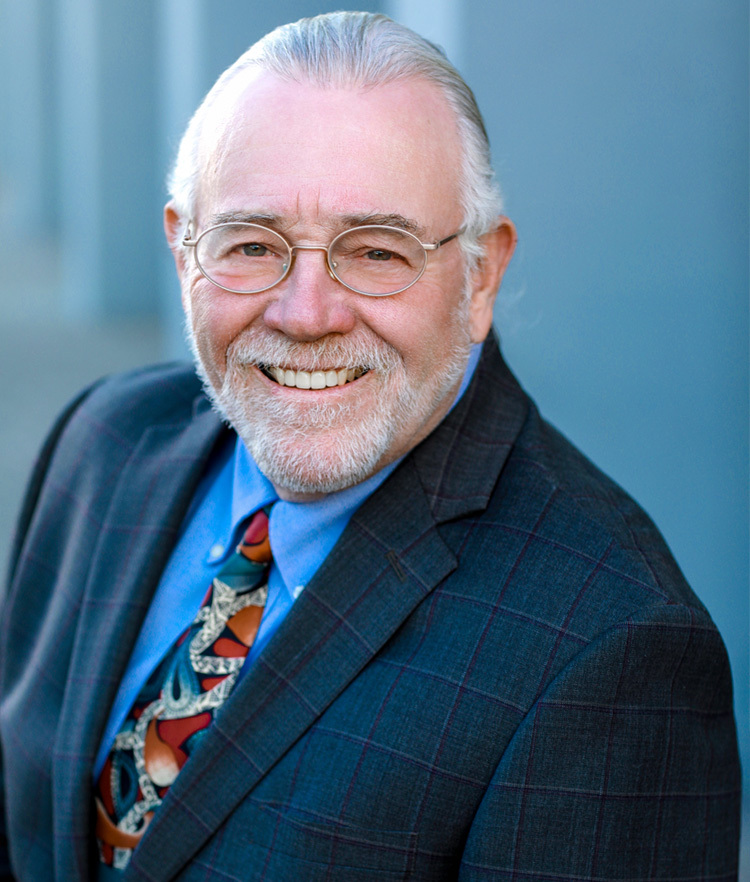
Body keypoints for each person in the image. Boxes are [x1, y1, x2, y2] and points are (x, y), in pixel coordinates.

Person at [0, 11, 740, 881]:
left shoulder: (613, 646)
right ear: (183, 253)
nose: (306, 313)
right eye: (252, 245)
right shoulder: (103, 445)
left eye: (377, 252)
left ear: (481, 276)